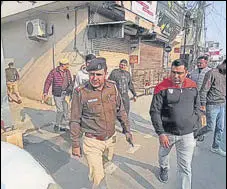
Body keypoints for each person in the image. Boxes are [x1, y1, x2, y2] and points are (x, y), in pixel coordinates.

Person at [70, 57, 133, 189]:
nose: (94, 78)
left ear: (105, 73)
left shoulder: (112, 87)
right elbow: (75, 119)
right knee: (99, 178)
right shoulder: (81, 93)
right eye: (91, 74)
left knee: (104, 165)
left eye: (98, 74)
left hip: (110, 139)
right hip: (92, 142)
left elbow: (120, 110)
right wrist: (75, 144)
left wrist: (127, 130)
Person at [150, 59, 200, 189]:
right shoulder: (161, 87)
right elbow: (155, 111)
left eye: (179, 73)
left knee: (185, 167)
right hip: (167, 133)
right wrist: (161, 133)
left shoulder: (192, 86)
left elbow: (197, 106)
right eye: (173, 72)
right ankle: (164, 168)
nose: (176, 76)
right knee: (163, 155)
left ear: (186, 72)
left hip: (187, 135)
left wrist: (195, 125)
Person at [199, 59, 226, 157]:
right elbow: (204, 90)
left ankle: (215, 147)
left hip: (222, 105)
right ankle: (195, 135)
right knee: (210, 127)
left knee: (220, 128)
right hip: (212, 104)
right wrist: (203, 104)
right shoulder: (212, 73)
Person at [43, 58, 72, 132]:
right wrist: (45, 92)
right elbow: (48, 82)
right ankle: (57, 125)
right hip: (57, 93)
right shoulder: (54, 72)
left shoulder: (67, 71)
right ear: (63, 65)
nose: (68, 66)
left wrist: (70, 91)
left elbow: (70, 82)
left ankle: (63, 126)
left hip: (66, 93)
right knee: (60, 110)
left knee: (66, 110)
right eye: (67, 64)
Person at [108, 59, 137, 133]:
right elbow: (109, 83)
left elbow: (130, 85)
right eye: (121, 64)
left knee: (126, 113)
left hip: (125, 96)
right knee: (114, 113)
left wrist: (134, 94)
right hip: (116, 96)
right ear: (119, 65)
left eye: (124, 65)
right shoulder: (114, 73)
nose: (122, 66)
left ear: (126, 66)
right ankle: (111, 129)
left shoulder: (127, 74)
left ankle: (125, 129)